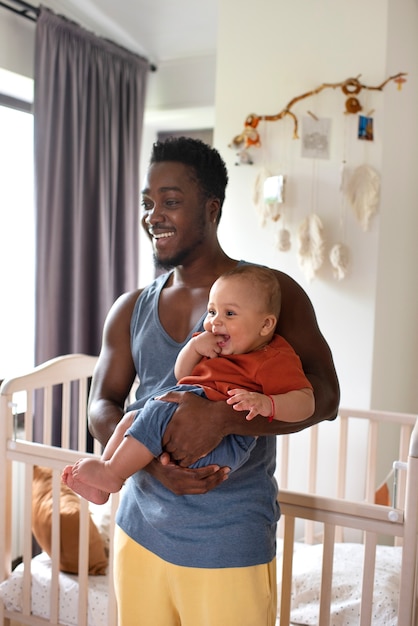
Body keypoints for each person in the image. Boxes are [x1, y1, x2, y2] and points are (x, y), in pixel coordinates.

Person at [87, 136, 340, 626]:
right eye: (148, 202)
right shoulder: (131, 307)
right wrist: (153, 465)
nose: (153, 215)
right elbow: (103, 403)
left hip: (228, 540)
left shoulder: (271, 295)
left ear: (211, 208)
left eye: (171, 201)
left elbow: (324, 398)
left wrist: (224, 418)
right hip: (139, 532)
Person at [62, 265, 314, 505]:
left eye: (229, 313)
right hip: (182, 412)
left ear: (266, 325)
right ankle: (104, 482)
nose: (215, 321)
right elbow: (182, 375)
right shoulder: (213, 345)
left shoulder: (273, 358)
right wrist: (193, 348)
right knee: (131, 418)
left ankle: (113, 474)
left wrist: (268, 404)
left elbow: (306, 402)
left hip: (226, 444)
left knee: (154, 412)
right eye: (212, 311)